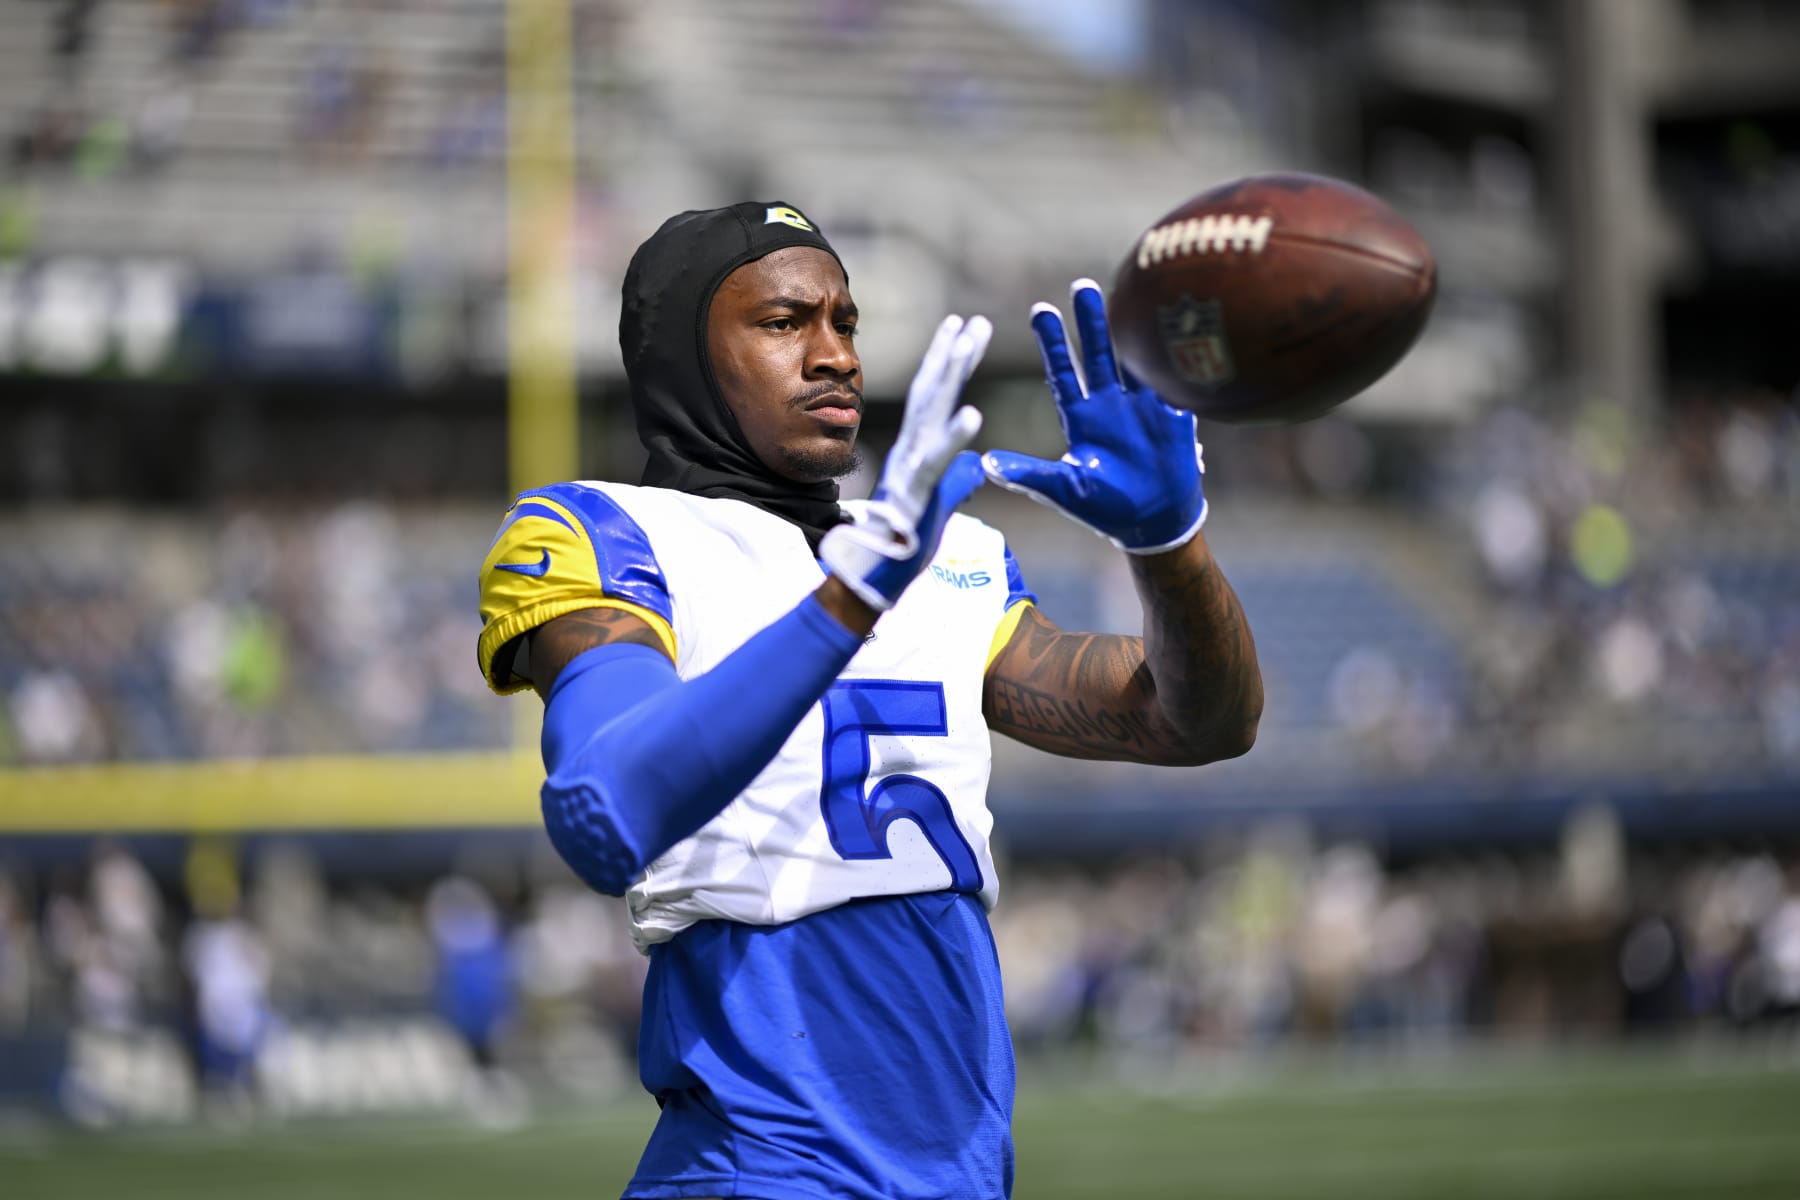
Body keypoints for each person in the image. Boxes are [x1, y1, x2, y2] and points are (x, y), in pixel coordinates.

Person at [475, 201, 1262, 1200]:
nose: (835, 355)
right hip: (765, 1169)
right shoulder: (606, 533)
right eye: (783, 322)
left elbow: (1199, 721)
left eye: (845, 322)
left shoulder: (943, 548)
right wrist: (852, 595)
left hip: (957, 1167)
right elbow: (604, 809)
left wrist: (1170, 543)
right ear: (684, 357)